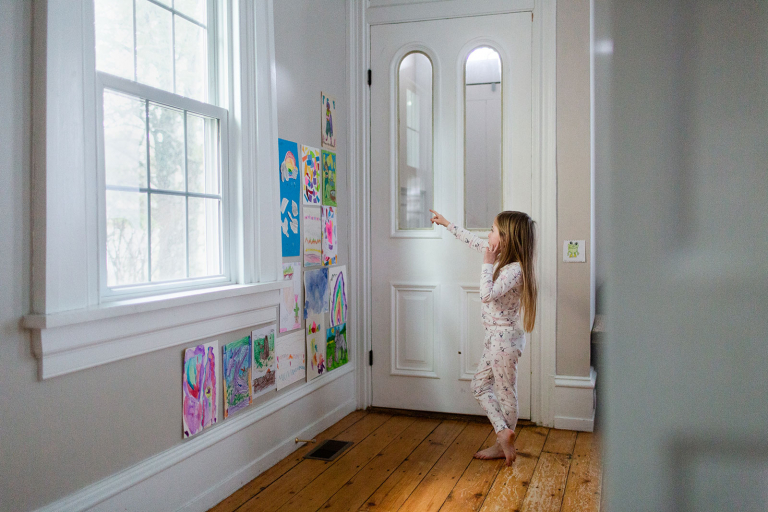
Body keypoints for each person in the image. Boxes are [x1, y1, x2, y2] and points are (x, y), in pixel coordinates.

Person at [430, 209, 537, 466]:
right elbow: (474, 241)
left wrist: (487, 263)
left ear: (507, 238)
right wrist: (447, 224)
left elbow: (487, 294)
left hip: (504, 342)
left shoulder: (514, 270)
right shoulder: (502, 256)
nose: (488, 235)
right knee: (479, 385)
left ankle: (503, 442)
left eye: (493, 230)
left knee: (505, 392)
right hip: (495, 339)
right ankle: (503, 433)